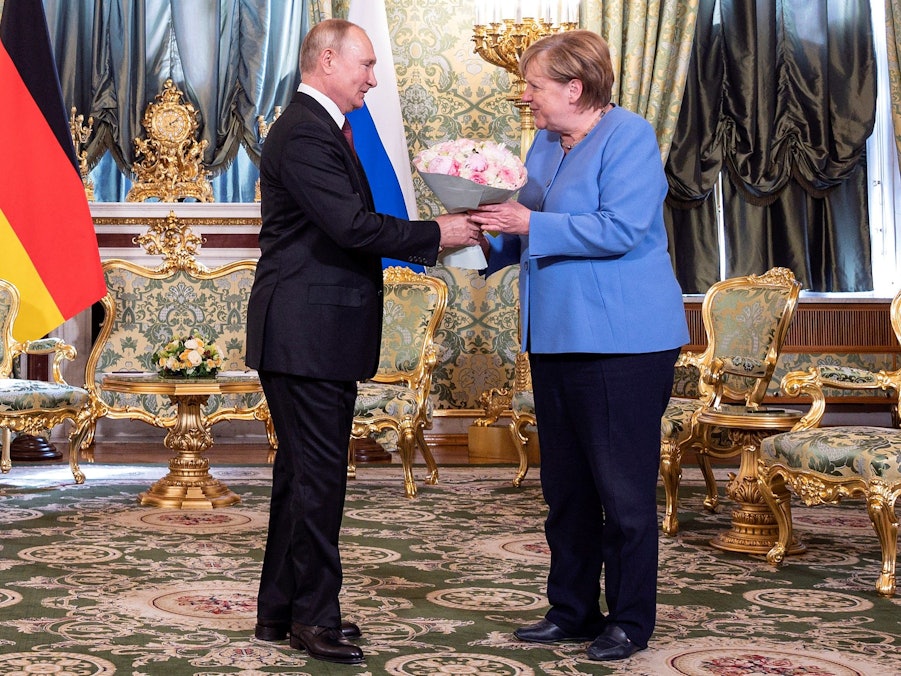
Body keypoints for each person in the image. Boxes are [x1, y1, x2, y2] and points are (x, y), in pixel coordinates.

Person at [245, 18, 479, 666]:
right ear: (326, 60)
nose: (373, 79)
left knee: (299, 480)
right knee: (318, 483)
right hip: (305, 335)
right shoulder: (303, 131)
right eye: (365, 66)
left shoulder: (314, 128)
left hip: (309, 334)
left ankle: (280, 612)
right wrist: (439, 234)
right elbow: (350, 227)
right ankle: (315, 620)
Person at [470, 30, 689, 662]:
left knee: (621, 493)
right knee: (565, 489)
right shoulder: (543, 143)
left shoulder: (630, 137)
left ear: (575, 86)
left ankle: (629, 620)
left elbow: (622, 228)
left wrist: (529, 225)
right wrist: (483, 239)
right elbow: (529, 228)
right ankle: (571, 609)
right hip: (557, 337)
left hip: (623, 342)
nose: (526, 97)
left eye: (534, 86)